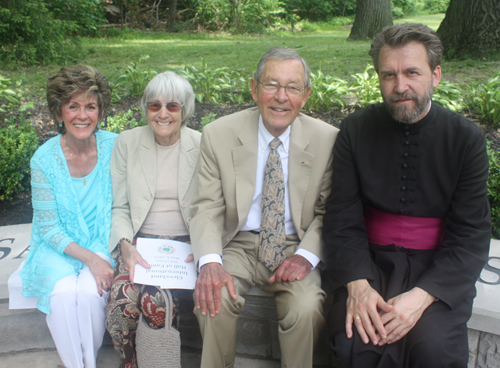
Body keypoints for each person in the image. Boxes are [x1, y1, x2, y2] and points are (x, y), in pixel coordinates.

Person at [323, 23, 491, 368]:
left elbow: (471, 235)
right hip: (368, 262)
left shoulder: (466, 139)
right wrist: (357, 284)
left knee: (432, 347)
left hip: (436, 270)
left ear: (436, 75)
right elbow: (342, 216)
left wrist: (420, 298)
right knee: (355, 342)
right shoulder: (356, 130)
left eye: (412, 72)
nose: (400, 87)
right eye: (389, 75)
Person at [190, 47, 339, 368]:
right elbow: (205, 206)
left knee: (306, 309)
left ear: (306, 95)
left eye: (293, 87)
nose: (281, 97)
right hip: (238, 244)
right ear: (254, 88)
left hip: (293, 247)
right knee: (212, 299)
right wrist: (210, 262)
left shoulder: (328, 140)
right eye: (271, 84)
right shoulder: (218, 135)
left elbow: (331, 210)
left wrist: (306, 255)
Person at [18, 65, 116, 368]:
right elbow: (48, 228)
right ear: (59, 113)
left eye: (90, 106)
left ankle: (88, 361)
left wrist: (98, 256)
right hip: (58, 247)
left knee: (90, 292)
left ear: (100, 111)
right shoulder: (44, 159)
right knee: (61, 295)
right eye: (73, 106)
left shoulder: (116, 147)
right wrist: (90, 259)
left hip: (101, 239)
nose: (82, 115)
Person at [105, 71, 201, 368]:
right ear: (145, 107)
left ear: (185, 110)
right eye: (154, 105)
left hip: (183, 246)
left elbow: (213, 206)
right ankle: (130, 363)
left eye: (172, 106)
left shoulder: (202, 144)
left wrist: (204, 247)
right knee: (122, 302)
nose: (162, 114)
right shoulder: (128, 142)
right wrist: (125, 246)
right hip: (141, 243)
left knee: (156, 301)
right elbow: (120, 206)